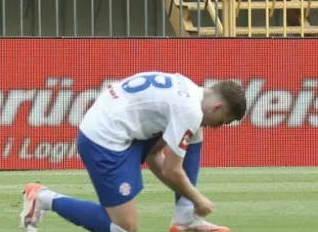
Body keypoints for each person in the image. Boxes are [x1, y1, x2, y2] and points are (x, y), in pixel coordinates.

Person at [20, 72, 246, 232]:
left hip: (122, 129)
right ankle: (41, 198)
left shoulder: (189, 90)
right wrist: (199, 199)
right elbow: (171, 169)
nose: (217, 127)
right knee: (124, 227)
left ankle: (185, 217)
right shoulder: (189, 111)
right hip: (104, 140)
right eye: (222, 122)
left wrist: (187, 197)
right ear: (219, 107)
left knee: (195, 134)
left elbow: (155, 157)